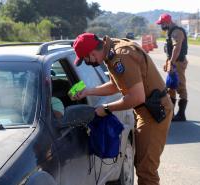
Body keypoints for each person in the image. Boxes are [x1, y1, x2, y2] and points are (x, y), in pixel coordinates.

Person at [71, 32, 173, 185]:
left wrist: (106, 108)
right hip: (147, 110)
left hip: (154, 112)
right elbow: (116, 85)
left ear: (92, 53)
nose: (87, 63)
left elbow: (137, 97)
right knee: (142, 165)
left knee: (146, 170)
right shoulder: (111, 51)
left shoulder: (121, 55)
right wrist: (88, 91)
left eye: (86, 60)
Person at [156, 13, 188, 121]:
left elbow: (177, 48)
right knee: (171, 87)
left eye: (162, 23)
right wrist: (168, 61)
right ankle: (172, 113)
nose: (161, 26)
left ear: (168, 22)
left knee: (180, 87)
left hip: (177, 62)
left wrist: (172, 62)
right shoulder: (171, 31)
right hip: (173, 61)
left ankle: (181, 114)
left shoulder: (176, 32)